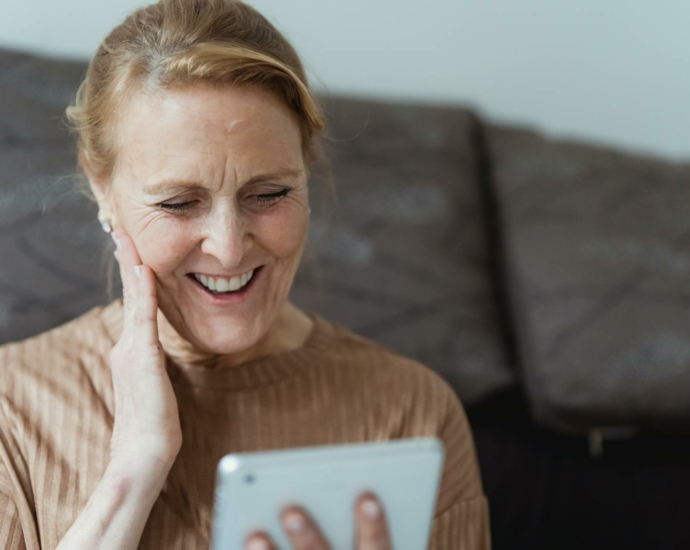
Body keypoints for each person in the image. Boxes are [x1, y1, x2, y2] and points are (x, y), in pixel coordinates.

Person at [0, 0, 490, 548]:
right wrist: (134, 471)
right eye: (180, 202)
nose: (229, 249)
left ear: (306, 172)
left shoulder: (411, 414)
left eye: (269, 194)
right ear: (101, 187)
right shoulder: (12, 409)